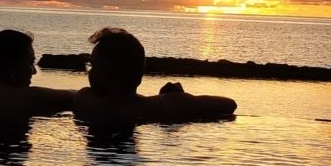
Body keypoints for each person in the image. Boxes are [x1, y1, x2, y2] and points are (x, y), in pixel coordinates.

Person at [72, 26, 236, 129]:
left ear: (105, 75)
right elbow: (228, 104)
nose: (90, 72)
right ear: (138, 75)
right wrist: (175, 98)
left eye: (93, 66)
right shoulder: (159, 106)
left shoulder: (85, 100)